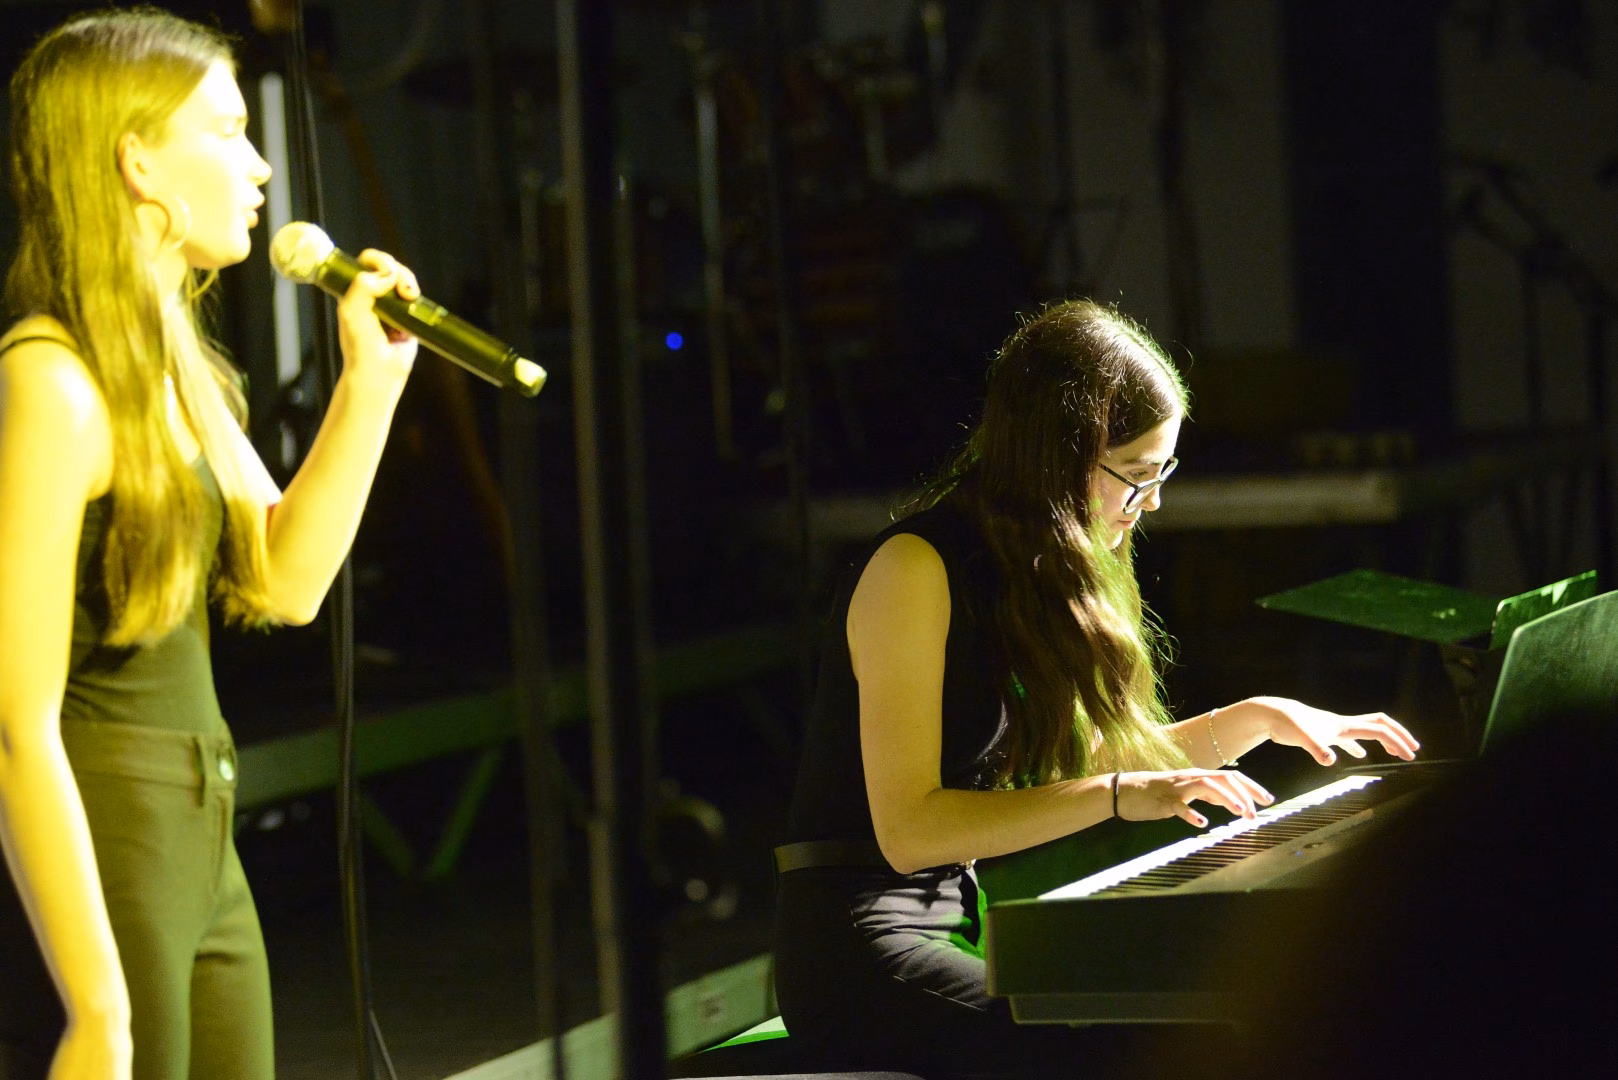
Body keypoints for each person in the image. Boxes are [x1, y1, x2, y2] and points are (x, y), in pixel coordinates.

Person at [771, 299, 1421, 1079]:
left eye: (1163, 472)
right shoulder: (913, 569)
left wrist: (1253, 720)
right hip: (859, 951)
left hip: (950, 927)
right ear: (1058, 455)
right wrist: (1115, 795)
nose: (1153, 501)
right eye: (1138, 474)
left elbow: (1090, 766)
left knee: (1217, 1019)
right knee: (1149, 1050)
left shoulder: (1030, 570)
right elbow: (910, 831)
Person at [0, 10, 421, 1079]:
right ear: (138, 162)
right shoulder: (50, 379)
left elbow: (287, 582)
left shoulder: (175, 363)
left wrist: (370, 387)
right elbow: (12, 716)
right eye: (229, 132)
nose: (262, 166)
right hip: (110, 833)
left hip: (201, 833)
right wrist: (96, 1004)